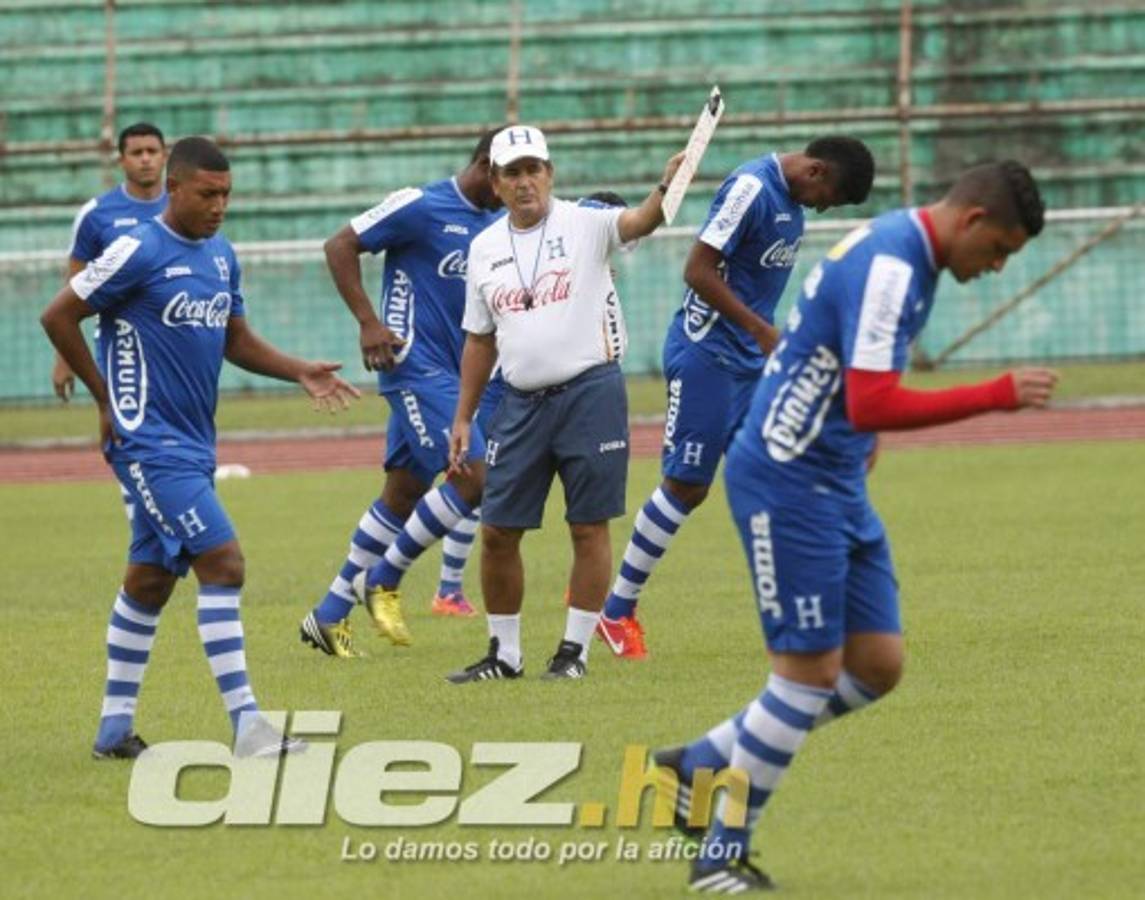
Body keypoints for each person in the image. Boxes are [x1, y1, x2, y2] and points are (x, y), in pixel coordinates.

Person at [656, 160, 1056, 892]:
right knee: (806, 675)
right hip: (785, 477)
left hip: (831, 475)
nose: (995, 267)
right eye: (998, 250)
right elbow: (874, 400)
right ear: (971, 221)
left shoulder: (906, 250)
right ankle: (718, 856)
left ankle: (697, 763)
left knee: (875, 666)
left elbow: (835, 362)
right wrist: (996, 393)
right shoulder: (893, 265)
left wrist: (855, 437)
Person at [40, 136, 360, 759]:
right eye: (208, 194)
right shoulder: (136, 249)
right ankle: (248, 726)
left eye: (227, 195)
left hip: (192, 444)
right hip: (147, 445)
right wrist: (107, 400)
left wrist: (298, 370)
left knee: (150, 581)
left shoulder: (220, 256)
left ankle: (113, 730)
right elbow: (58, 315)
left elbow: (233, 338)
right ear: (176, 188)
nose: (219, 206)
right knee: (224, 563)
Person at [598, 137, 876, 659]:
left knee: (784, 471)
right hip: (707, 355)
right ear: (815, 170)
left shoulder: (792, 203)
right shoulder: (751, 188)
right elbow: (696, 271)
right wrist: (759, 330)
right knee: (686, 486)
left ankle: (812, 610)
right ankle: (616, 611)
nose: (822, 208)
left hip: (751, 362)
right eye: (828, 197)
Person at [443, 124, 685, 682]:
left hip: (590, 393)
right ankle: (504, 656)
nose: (525, 181)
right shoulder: (483, 248)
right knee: (498, 530)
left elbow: (642, 220)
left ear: (550, 173)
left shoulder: (586, 222)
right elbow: (479, 339)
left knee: (587, 526)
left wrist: (666, 188)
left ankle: (573, 653)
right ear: (495, 183)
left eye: (534, 169)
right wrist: (462, 415)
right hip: (520, 402)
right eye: (512, 173)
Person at [298, 128, 506, 659]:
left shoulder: (500, 224)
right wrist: (368, 321)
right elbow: (339, 243)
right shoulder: (421, 205)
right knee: (474, 475)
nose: (518, 187)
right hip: (414, 366)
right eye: (510, 175)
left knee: (403, 493)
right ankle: (385, 578)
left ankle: (327, 614)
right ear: (485, 165)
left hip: (459, 378)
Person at [53, 122, 169, 402]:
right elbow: (73, 287)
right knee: (125, 428)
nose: (145, 158)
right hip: (121, 344)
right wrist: (63, 359)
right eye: (137, 152)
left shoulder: (182, 207)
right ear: (121, 160)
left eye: (152, 151)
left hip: (173, 340)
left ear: (165, 156)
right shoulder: (96, 214)